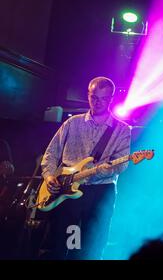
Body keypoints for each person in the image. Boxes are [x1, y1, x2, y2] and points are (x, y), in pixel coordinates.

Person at [39, 77, 131, 260]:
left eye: (103, 98)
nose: (97, 103)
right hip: (66, 188)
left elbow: (122, 163)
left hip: (100, 190)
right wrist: (49, 177)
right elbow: (51, 153)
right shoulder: (72, 123)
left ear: (111, 99)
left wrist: (107, 170)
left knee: (93, 242)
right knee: (63, 241)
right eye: (93, 97)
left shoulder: (122, 129)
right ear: (88, 95)